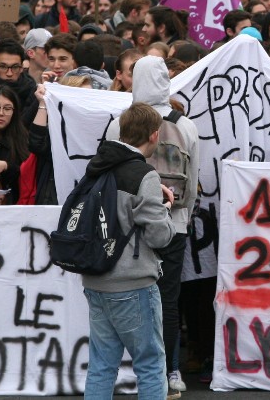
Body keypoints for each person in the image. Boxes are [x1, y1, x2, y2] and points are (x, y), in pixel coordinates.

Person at [106, 55, 200, 397]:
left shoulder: (119, 123)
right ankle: (170, 370)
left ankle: (130, 368)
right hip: (173, 223)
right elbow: (193, 182)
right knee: (168, 298)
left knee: (127, 295)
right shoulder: (185, 125)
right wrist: (181, 210)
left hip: (128, 222)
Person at [81, 102, 176, 400]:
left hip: (96, 279)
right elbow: (159, 236)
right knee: (149, 364)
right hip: (133, 282)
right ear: (154, 135)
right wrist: (167, 209)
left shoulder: (97, 166)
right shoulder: (144, 175)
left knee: (101, 365)